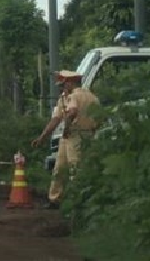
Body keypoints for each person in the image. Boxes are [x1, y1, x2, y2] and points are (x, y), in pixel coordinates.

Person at [31, 70, 100, 209]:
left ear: (70, 83)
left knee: (76, 168)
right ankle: (55, 198)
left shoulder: (75, 96)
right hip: (79, 135)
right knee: (60, 167)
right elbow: (55, 119)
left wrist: (67, 128)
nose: (61, 88)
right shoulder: (90, 97)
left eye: (63, 85)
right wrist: (43, 136)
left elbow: (71, 113)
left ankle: (77, 201)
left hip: (75, 135)